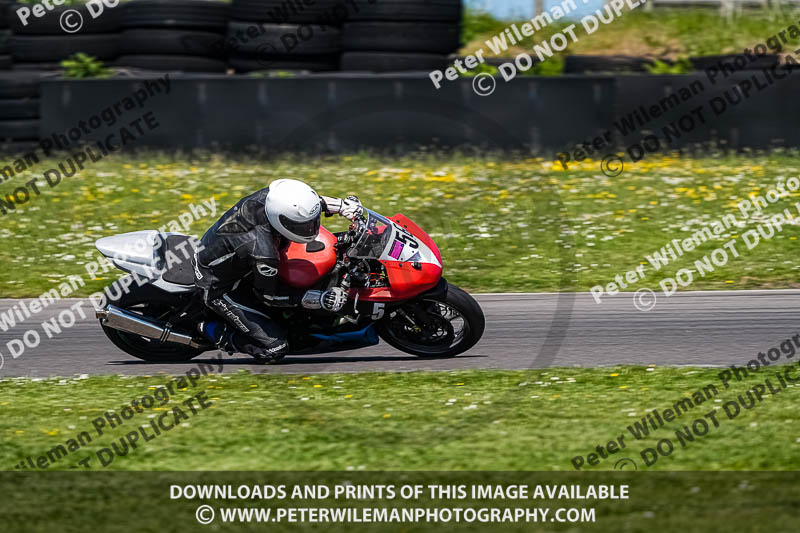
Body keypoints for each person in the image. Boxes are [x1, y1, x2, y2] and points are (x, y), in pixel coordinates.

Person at [191, 179, 363, 364]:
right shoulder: (264, 254)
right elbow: (268, 296)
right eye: (304, 225)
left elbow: (307, 205)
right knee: (274, 349)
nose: (311, 228)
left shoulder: (272, 199)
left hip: (235, 259)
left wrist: (343, 207)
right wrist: (320, 299)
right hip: (219, 287)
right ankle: (208, 330)